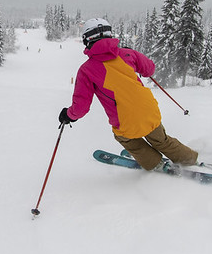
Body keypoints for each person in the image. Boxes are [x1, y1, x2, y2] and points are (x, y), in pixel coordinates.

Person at [58, 18, 199, 171]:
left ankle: (155, 163)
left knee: (125, 137)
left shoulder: (86, 70)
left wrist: (68, 115)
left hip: (124, 118)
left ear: (87, 40)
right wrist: (130, 54)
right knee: (161, 139)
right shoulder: (126, 54)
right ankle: (190, 159)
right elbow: (149, 69)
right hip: (149, 108)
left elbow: (81, 107)